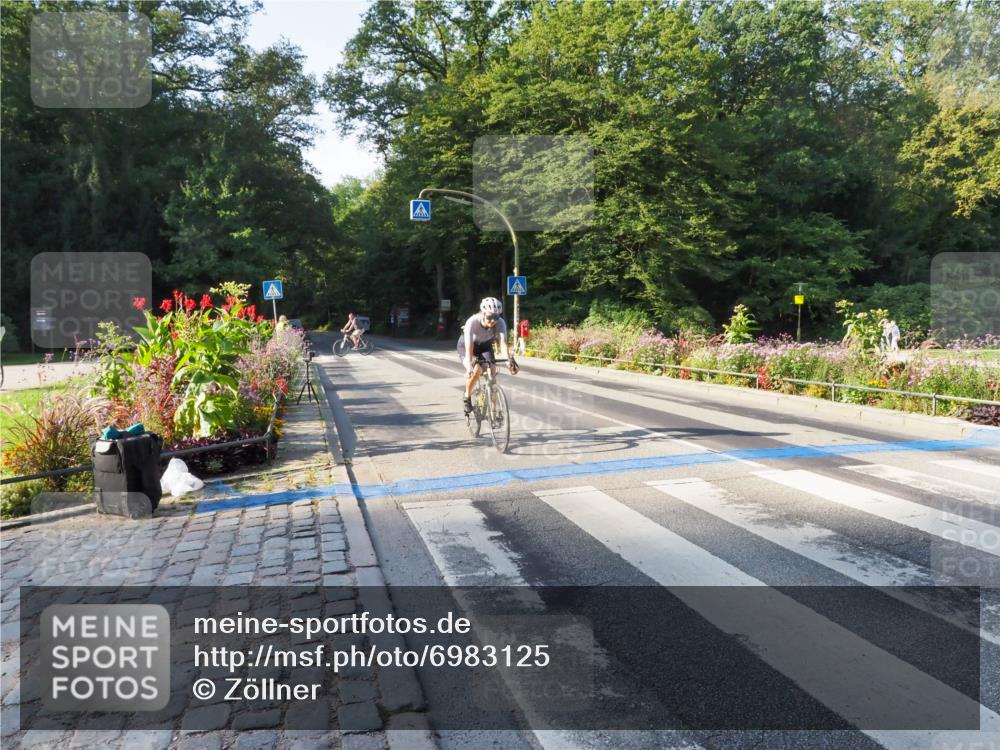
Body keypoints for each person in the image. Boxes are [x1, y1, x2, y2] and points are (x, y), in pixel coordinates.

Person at [458, 297, 518, 414]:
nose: (492, 320)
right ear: (483, 313)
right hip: (468, 347)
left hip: (485, 346)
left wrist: (508, 362)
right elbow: (469, 346)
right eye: (489, 317)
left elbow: (503, 343)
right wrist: (469, 366)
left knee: (493, 374)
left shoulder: (500, 322)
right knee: (476, 370)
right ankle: (467, 397)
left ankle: (493, 412)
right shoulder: (472, 322)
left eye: (496, 317)